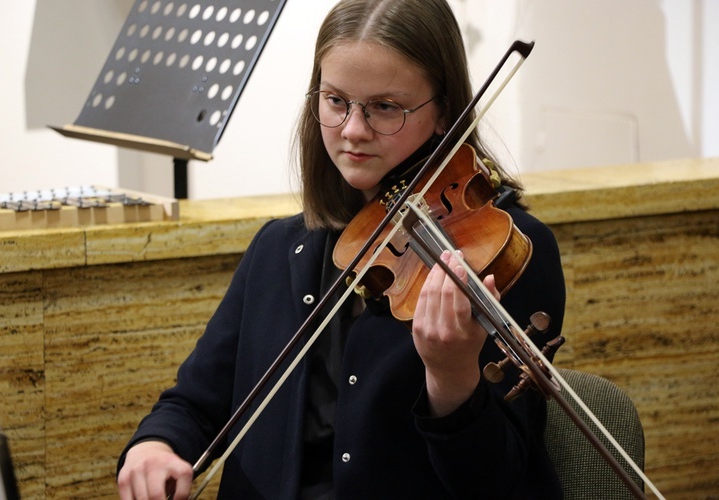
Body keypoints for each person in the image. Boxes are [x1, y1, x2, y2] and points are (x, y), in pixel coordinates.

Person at [117, 0, 567, 498]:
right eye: (336, 101)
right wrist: (154, 447)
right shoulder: (278, 248)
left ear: (444, 113)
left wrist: (453, 378)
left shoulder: (503, 248)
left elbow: (500, 482)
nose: (353, 130)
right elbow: (194, 404)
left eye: (384, 107)